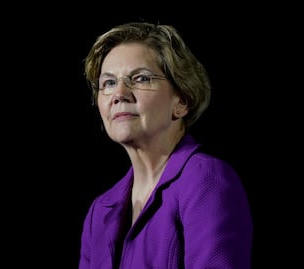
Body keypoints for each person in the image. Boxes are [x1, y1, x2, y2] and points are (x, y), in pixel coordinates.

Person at [78, 21, 253, 269]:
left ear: (181, 101)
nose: (119, 93)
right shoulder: (100, 211)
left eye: (140, 78)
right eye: (108, 83)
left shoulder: (205, 180)